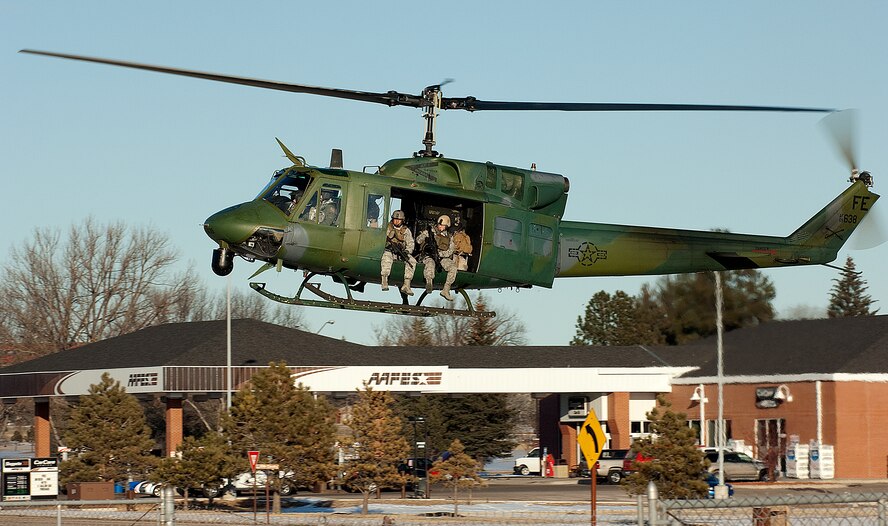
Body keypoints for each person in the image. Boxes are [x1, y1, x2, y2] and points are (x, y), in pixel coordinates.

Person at [415, 214, 457, 301]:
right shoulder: (430, 232)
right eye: (439, 225)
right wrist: (424, 236)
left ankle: (446, 289)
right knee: (430, 263)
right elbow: (418, 240)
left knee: (453, 267)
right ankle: (429, 283)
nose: (440, 227)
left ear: (447, 226)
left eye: (443, 225)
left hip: (442, 258)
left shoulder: (449, 237)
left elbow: (450, 251)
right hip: (428, 256)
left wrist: (440, 254)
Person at [380, 210, 416, 295]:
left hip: (400, 252)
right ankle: (384, 280)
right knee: (386, 258)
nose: (396, 221)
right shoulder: (387, 227)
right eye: (395, 219)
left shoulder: (406, 230)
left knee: (412, 261)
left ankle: (406, 284)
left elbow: (410, 243)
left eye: (398, 219)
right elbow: (381, 238)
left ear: (402, 220)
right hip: (389, 250)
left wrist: (407, 251)